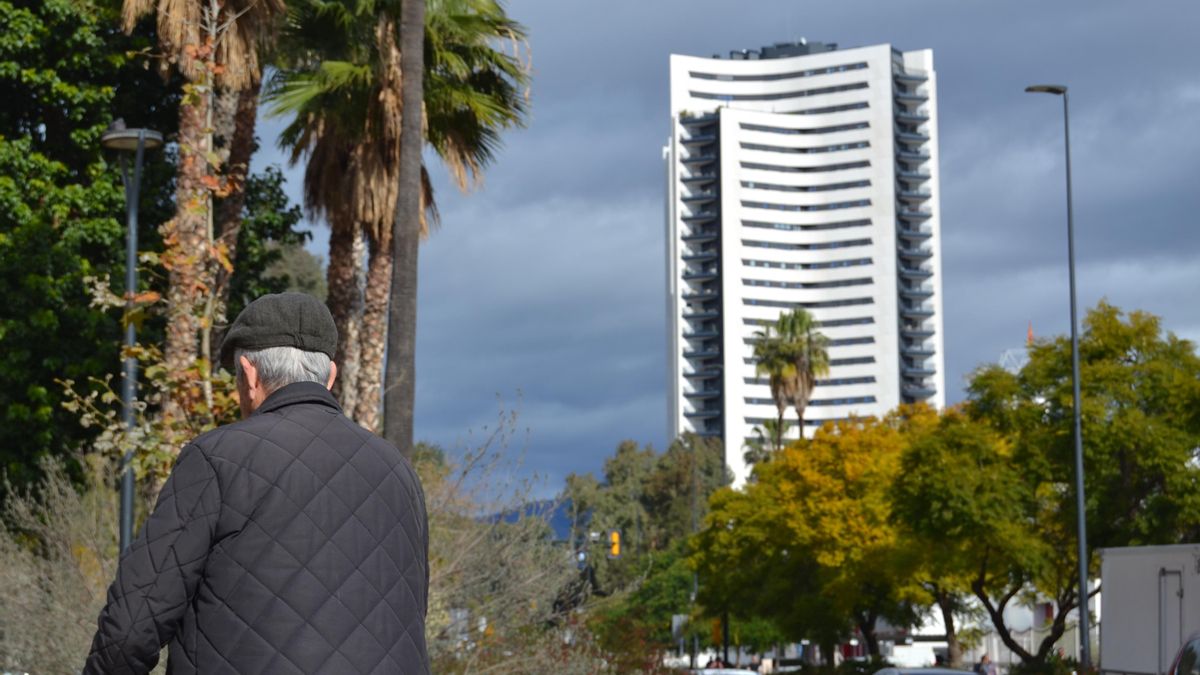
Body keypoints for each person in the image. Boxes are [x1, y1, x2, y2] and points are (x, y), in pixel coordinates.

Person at [83, 293, 430, 674]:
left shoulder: (216, 459)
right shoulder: (401, 474)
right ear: (330, 376)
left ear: (249, 375)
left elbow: (132, 629)